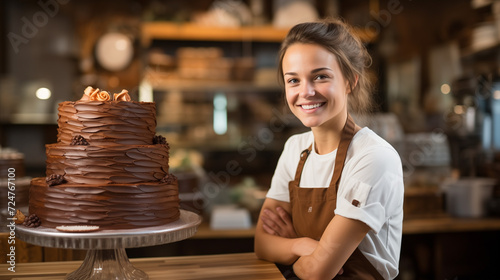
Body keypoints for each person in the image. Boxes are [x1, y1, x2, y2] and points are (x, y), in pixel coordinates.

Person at [254, 18, 404, 280]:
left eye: (320, 76)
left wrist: (291, 252)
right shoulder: (295, 149)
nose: (306, 92)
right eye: (293, 80)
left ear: (350, 81)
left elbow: (317, 272)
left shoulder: (373, 157)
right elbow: (262, 244)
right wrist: (301, 245)